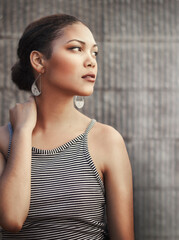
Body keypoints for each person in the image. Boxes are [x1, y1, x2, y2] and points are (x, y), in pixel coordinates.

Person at [0, 14, 135, 239]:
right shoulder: (5, 140)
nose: (92, 61)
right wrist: (22, 132)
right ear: (39, 61)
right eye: (76, 48)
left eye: (95, 52)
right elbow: (11, 219)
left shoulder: (106, 139)